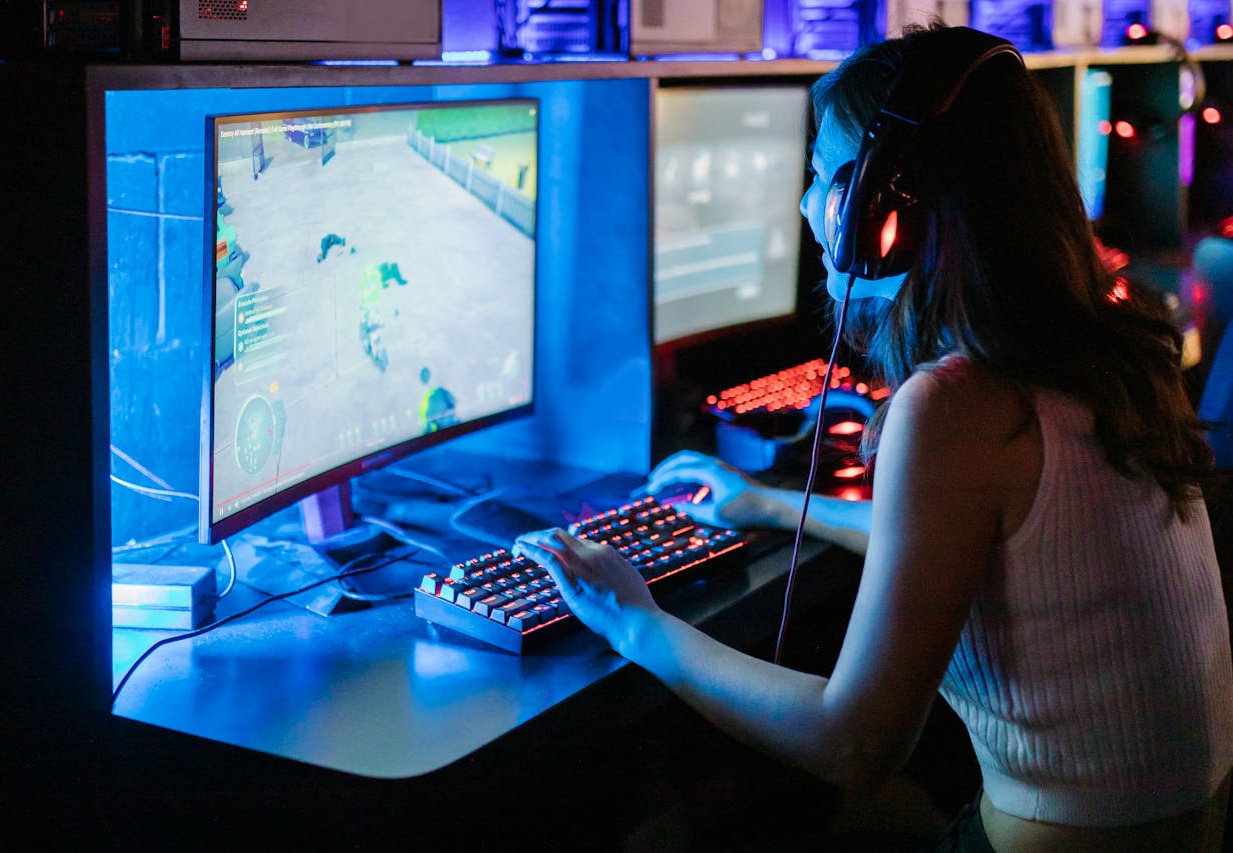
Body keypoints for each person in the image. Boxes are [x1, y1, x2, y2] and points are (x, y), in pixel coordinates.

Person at [514, 24, 1233, 852]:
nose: (807, 207)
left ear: (888, 211)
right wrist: (771, 505)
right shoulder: (1108, 350)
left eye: (827, 178)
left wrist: (633, 622)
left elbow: (854, 742)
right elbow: (957, 539)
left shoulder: (958, 404)